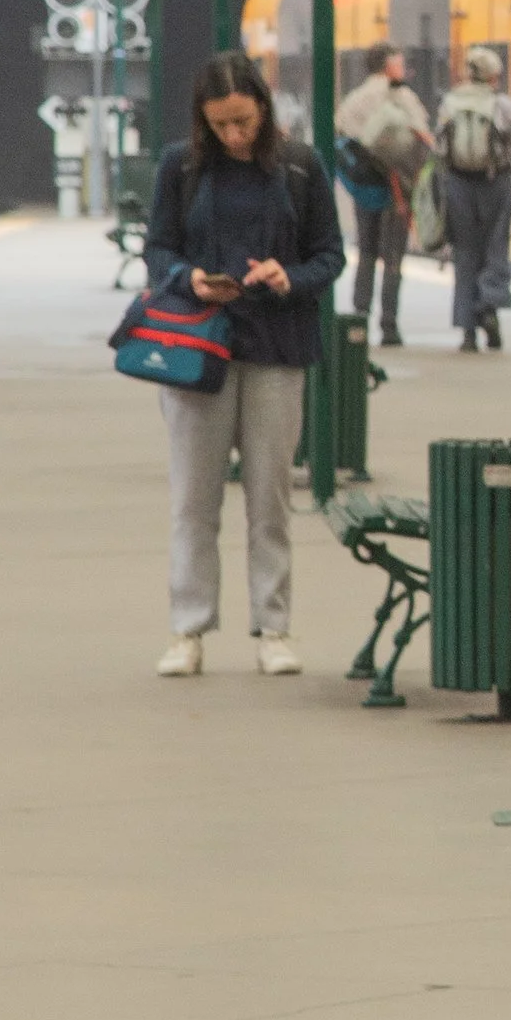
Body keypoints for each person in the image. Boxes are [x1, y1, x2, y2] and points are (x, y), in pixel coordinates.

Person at [143, 50, 345, 679]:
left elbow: (329, 255)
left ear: (263, 107)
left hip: (277, 347)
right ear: (203, 121)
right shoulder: (181, 165)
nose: (234, 134)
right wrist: (188, 277)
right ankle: (188, 630)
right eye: (221, 123)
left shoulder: (300, 167)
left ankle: (274, 627)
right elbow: (158, 248)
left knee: (270, 497)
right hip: (196, 349)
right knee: (193, 501)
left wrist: (291, 275)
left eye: (244, 121)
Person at [336, 40, 431, 347]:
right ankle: (389, 325)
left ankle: (360, 318)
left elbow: (342, 137)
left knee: (366, 252)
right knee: (393, 258)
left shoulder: (354, 99)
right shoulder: (403, 97)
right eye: (400, 62)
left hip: (367, 191)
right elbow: (423, 137)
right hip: (398, 191)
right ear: (388, 65)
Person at [435, 43, 511, 351]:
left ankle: (467, 331)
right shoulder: (502, 105)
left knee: (465, 254)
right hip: (495, 184)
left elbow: (439, 151)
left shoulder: (450, 103)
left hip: (458, 186)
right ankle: (489, 306)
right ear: (493, 76)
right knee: (495, 249)